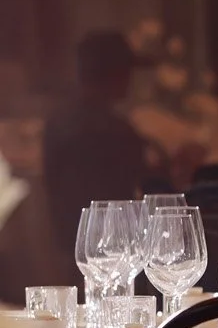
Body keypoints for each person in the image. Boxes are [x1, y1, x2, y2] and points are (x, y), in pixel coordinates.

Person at [42, 29, 160, 268]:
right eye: (127, 72)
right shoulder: (110, 129)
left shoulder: (60, 121)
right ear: (117, 74)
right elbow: (143, 185)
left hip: (75, 249)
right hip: (109, 253)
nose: (131, 80)